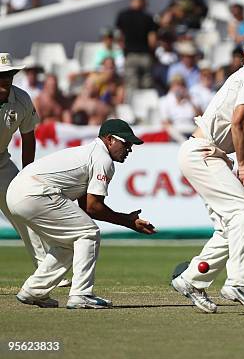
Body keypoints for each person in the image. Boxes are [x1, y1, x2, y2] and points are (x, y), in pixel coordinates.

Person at [172, 32, 244, 313]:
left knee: (230, 227)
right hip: (202, 152)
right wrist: (242, 165)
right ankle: (239, 283)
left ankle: (191, 279)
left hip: (213, 156)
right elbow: (238, 122)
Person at [7, 119, 156, 308]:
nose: (129, 149)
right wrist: (128, 222)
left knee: (67, 243)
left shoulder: (89, 153)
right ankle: (81, 294)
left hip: (16, 194)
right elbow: (94, 207)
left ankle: (33, 291)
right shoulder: (103, 159)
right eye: (125, 143)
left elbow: (86, 207)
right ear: (110, 140)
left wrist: (127, 220)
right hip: (36, 192)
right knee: (88, 233)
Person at [0, 53, 49, 276]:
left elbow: (28, 136)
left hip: (1, 163)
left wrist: (27, 174)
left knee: (25, 209)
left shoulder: (21, 99)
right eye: (1, 75)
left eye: (9, 74)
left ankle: (46, 271)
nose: (5, 79)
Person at [115, 0, 159, 90]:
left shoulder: (122, 16)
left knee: (132, 87)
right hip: (145, 56)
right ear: (143, 2)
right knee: (147, 86)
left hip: (130, 56)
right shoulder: (148, 17)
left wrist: (125, 51)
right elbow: (152, 40)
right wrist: (152, 54)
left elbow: (119, 37)